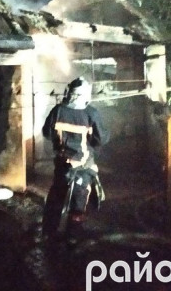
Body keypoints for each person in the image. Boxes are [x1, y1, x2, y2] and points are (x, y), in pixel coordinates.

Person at [41, 77, 110, 237]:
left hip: (62, 165)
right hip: (83, 166)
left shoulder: (57, 110)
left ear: (69, 93)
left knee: (57, 196)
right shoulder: (91, 113)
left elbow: (47, 133)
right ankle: (73, 236)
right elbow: (101, 139)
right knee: (79, 201)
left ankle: (49, 234)